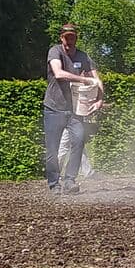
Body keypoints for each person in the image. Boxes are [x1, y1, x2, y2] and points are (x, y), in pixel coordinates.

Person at [43, 22, 93, 194]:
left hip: (74, 110)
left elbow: (96, 79)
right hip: (54, 108)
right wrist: (83, 80)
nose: (70, 40)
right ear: (61, 37)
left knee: (78, 141)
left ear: (76, 38)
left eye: (73, 37)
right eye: (67, 37)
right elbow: (58, 73)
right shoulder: (55, 51)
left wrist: (99, 99)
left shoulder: (83, 56)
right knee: (52, 148)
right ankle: (54, 183)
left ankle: (70, 180)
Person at [65, 68, 106, 181]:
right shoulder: (70, 84)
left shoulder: (82, 86)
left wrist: (99, 101)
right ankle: (55, 173)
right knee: (64, 145)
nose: (86, 75)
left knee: (78, 144)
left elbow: (97, 82)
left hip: (75, 118)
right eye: (84, 73)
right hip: (66, 118)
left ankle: (88, 172)